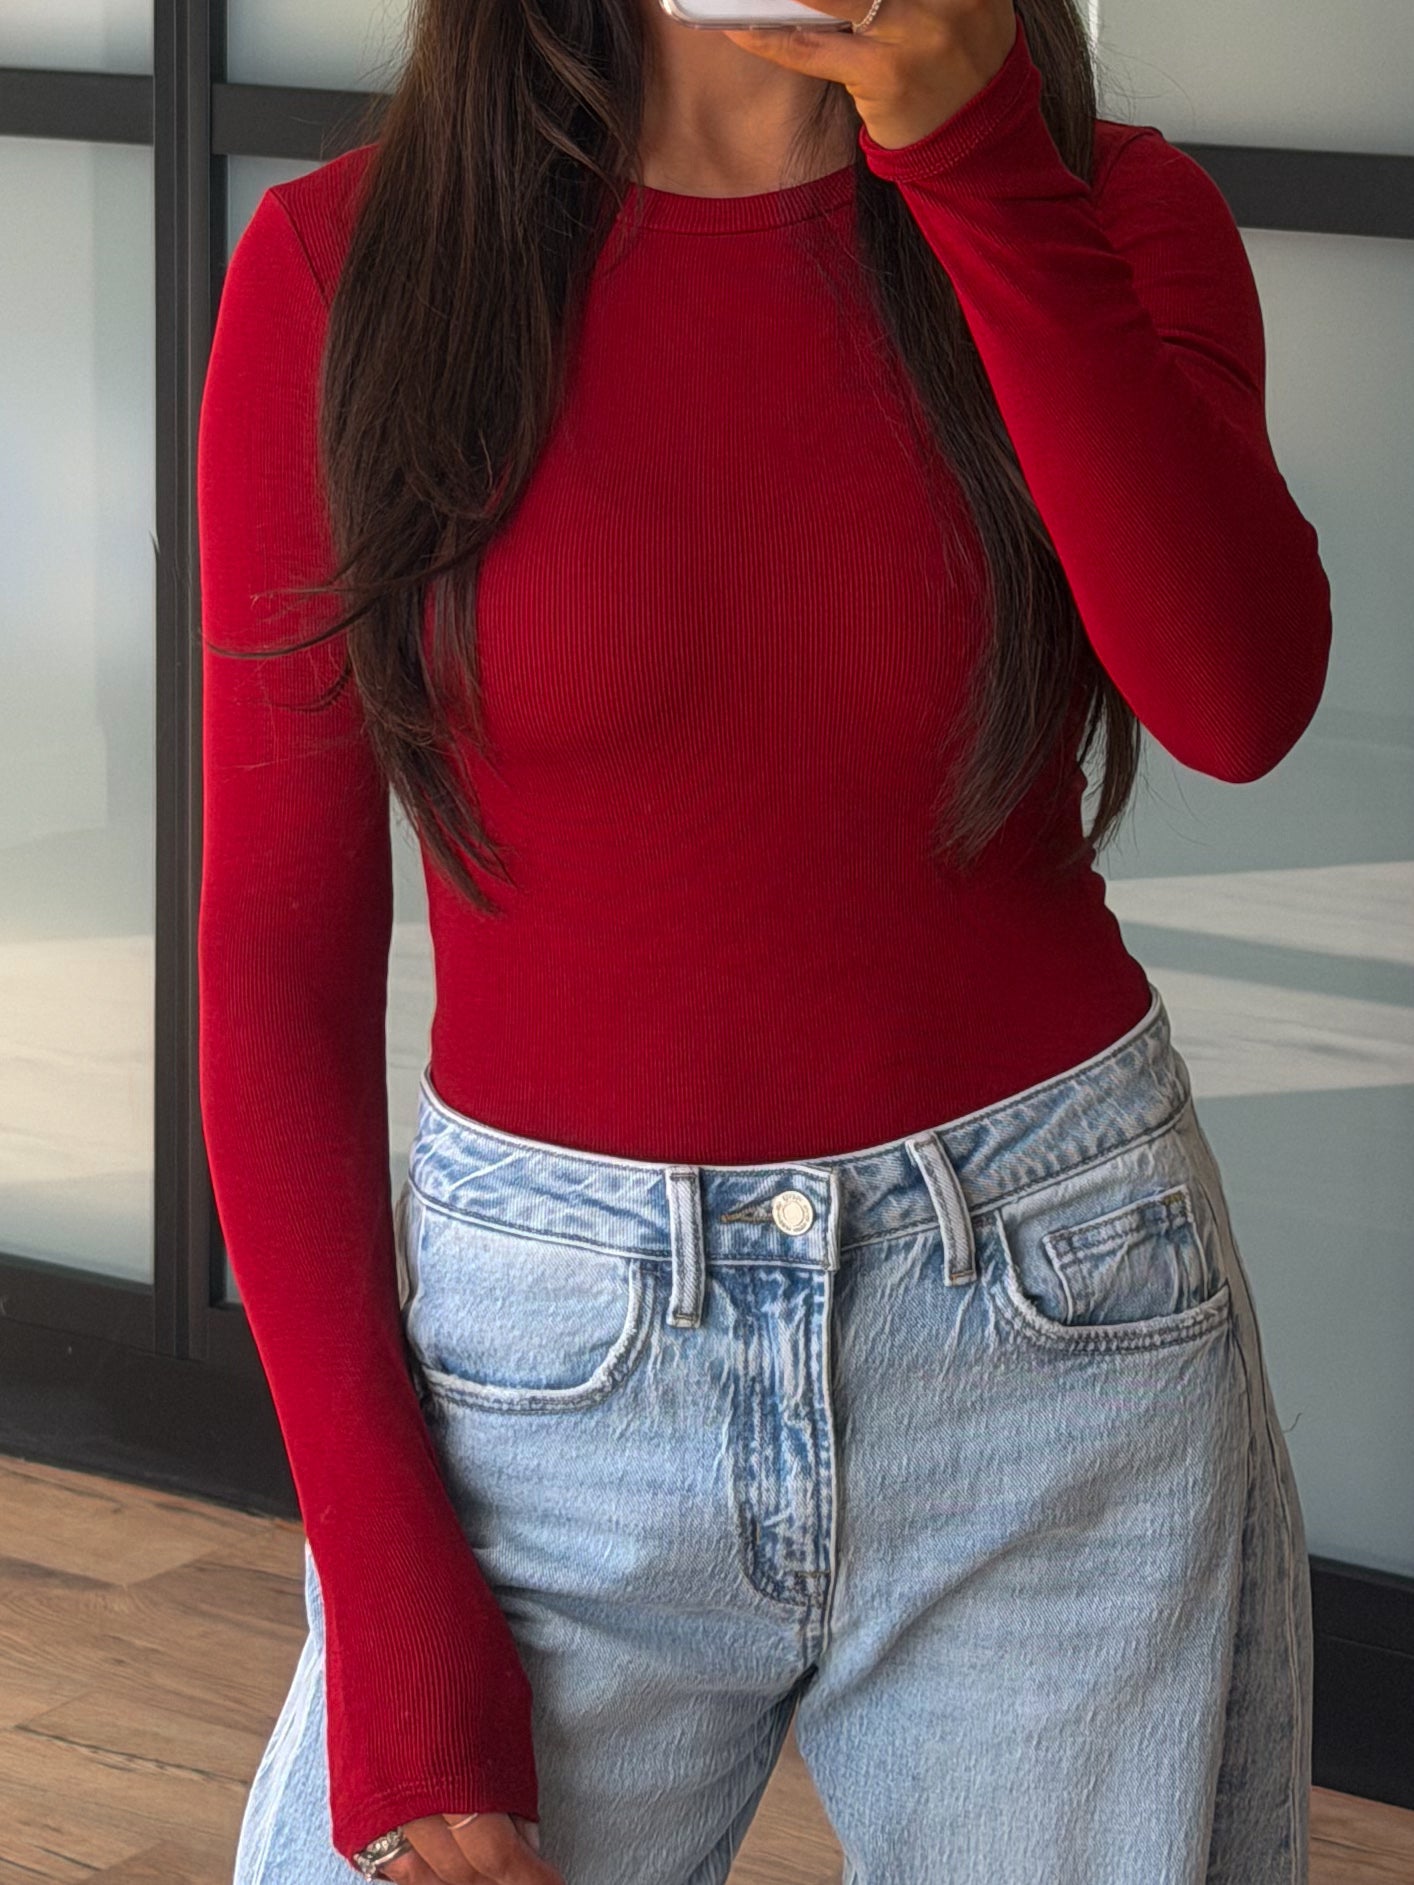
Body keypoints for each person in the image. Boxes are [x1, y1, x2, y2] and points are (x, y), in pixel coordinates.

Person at [196, 0, 1329, 1877]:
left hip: (1054, 1339)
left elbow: (1235, 697)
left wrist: (971, 156)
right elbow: (273, 960)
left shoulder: (1107, 209)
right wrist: (385, 1601)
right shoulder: (350, 266)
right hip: (542, 1376)